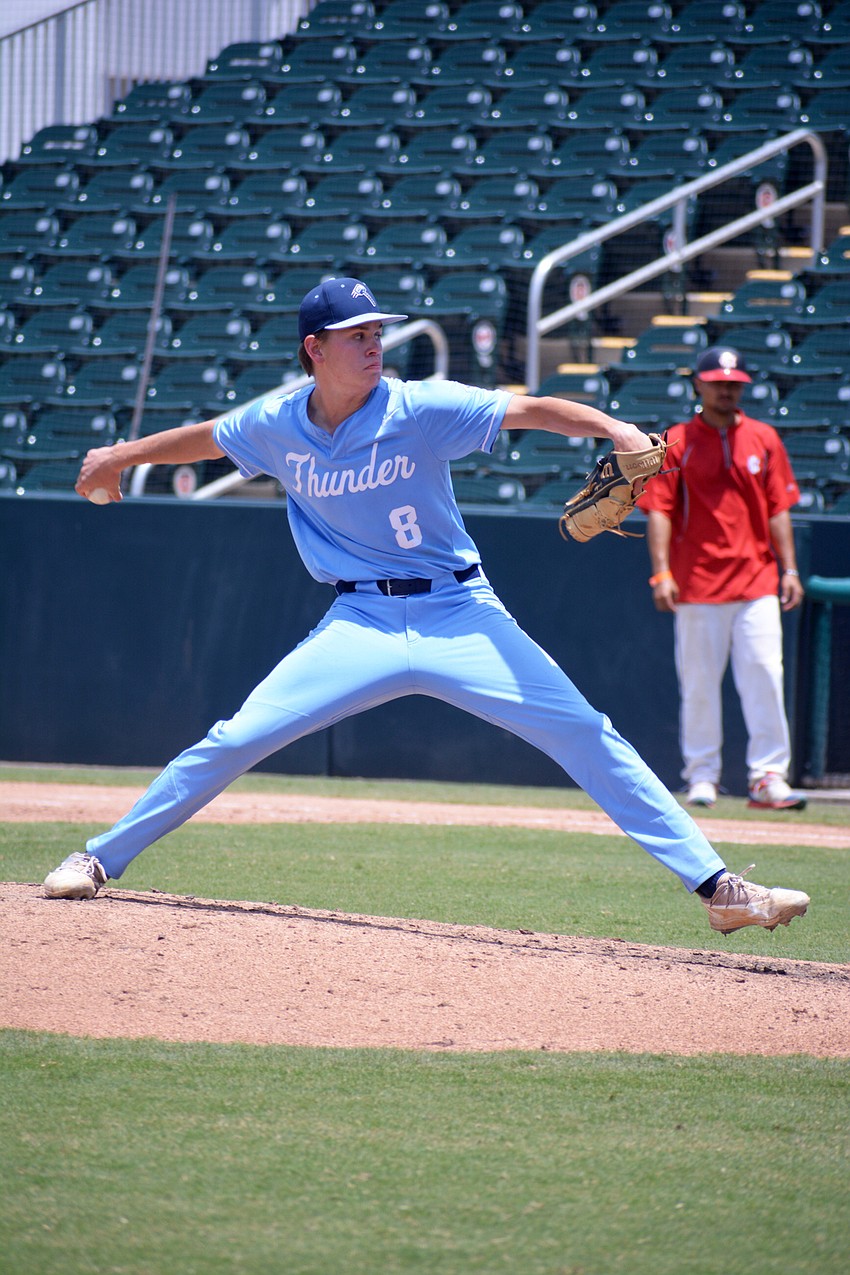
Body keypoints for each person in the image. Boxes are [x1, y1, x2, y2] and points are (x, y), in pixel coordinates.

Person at [44, 279, 809, 937]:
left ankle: (719, 891)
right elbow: (205, 440)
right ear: (315, 347)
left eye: (378, 330)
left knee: (586, 734)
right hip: (358, 625)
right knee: (236, 736)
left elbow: (533, 408)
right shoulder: (278, 424)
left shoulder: (420, 406)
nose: (374, 344)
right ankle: (99, 855)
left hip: (461, 612)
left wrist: (611, 426)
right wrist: (119, 455)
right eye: (356, 334)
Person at [642, 345, 806, 811]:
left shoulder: (764, 438)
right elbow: (659, 513)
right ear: (698, 384)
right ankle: (702, 777)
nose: (727, 391)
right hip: (696, 583)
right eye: (718, 383)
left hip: (757, 579)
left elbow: (779, 509)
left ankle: (768, 777)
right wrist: (661, 573)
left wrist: (789, 568)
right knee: (698, 683)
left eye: (734, 384)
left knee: (764, 677)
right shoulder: (677, 440)